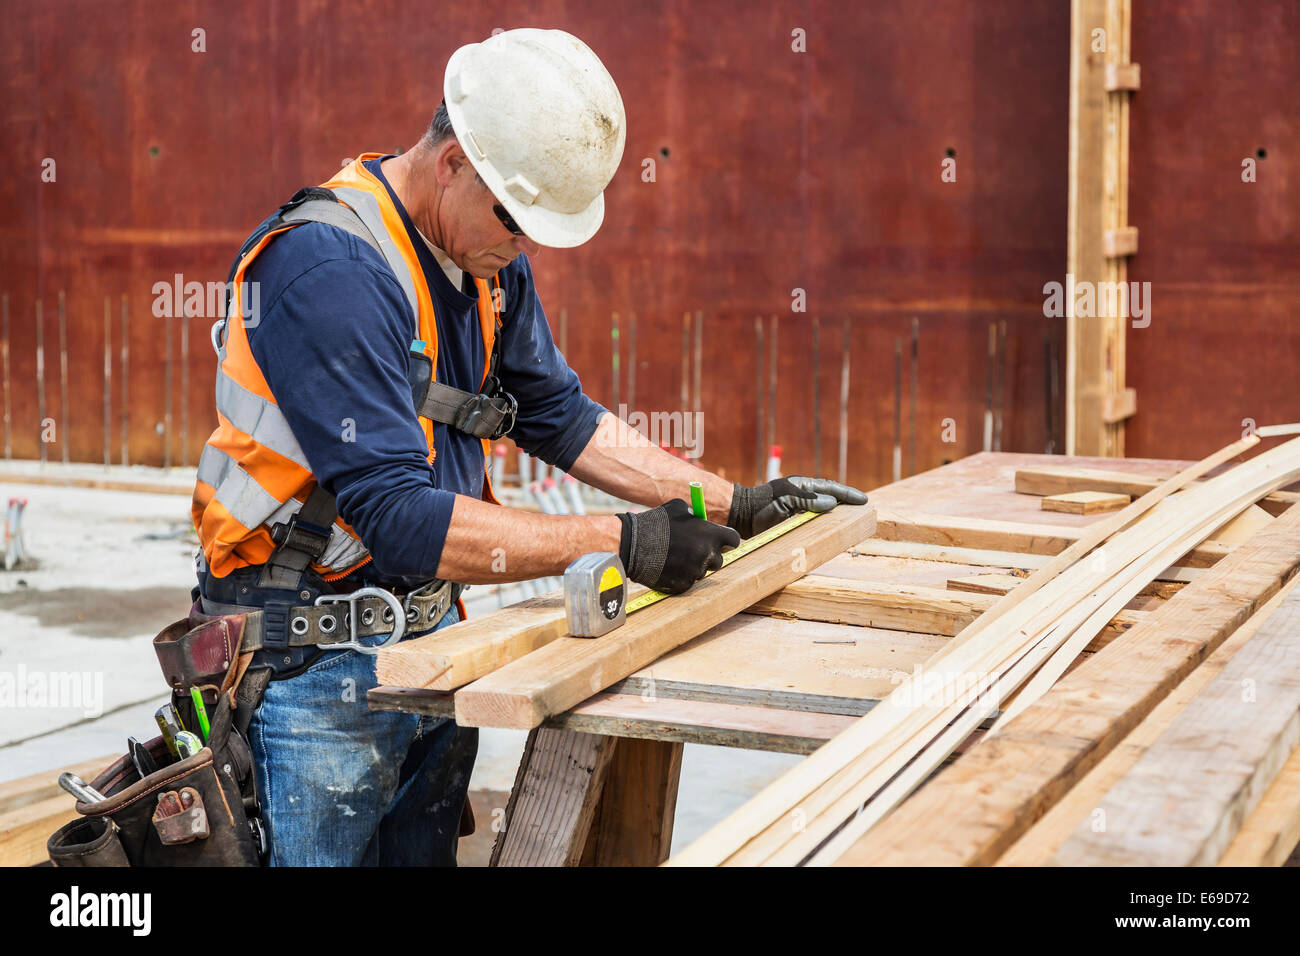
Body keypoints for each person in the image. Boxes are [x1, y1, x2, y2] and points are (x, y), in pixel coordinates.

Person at [190, 28, 866, 866]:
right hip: (309, 673)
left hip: (430, 649)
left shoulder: (482, 255)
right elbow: (397, 517)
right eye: (519, 218)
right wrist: (620, 540)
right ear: (453, 164)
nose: (528, 244)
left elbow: (558, 415)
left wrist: (732, 503)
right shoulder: (329, 269)